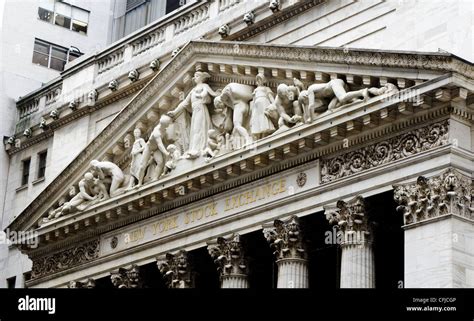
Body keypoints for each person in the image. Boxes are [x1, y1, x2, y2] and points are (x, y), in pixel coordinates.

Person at [167, 72, 220, 159]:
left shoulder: (204, 86)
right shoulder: (192, 90)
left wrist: (218, 94)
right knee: (195, 130)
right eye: (194, 76)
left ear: (202, 78)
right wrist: (174, 112)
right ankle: (195, 148)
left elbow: (213, 94)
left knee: (198, 129)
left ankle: (197, 149)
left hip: (200, 109)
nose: (194, 77)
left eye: (197, 76)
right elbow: (184, 103)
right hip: (195, 111)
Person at [137, 115, 172, 186]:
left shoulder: (164, 129)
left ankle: (155, 178)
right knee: (142, 166)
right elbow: (160, 144)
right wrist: (166, 153)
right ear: (164, 124)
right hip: (149, 148)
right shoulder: (157, 132)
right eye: (167, 124)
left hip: (156, 149)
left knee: (160, 162)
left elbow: (163, 142)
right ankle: (139, 183)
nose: (168, 125)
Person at [250, 74, 276, 140]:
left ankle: (264, 134)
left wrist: (274, 104)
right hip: (257, 106)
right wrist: (252, 110)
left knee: (264, 118)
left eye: (260, 79)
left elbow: (271, 97)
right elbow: (253, 100)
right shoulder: (255, 90)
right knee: (257, 119)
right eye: (257, 79)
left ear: (263, 80)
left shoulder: (266, 88)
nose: (259, 81)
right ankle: (259, 136)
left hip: (264, 103)